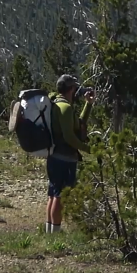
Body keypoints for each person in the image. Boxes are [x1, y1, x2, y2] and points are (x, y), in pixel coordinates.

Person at [44, 73, 95, 232]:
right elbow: (70, 137)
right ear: (71, 89)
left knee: (53, 194)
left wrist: (88, 104)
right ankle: (55, 236)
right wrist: (89, 150)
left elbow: (77, 125)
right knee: (60, 196)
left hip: (54, 156)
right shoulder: (65, 108)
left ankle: (49, 234)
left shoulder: (57, 103)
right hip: (65, 158)